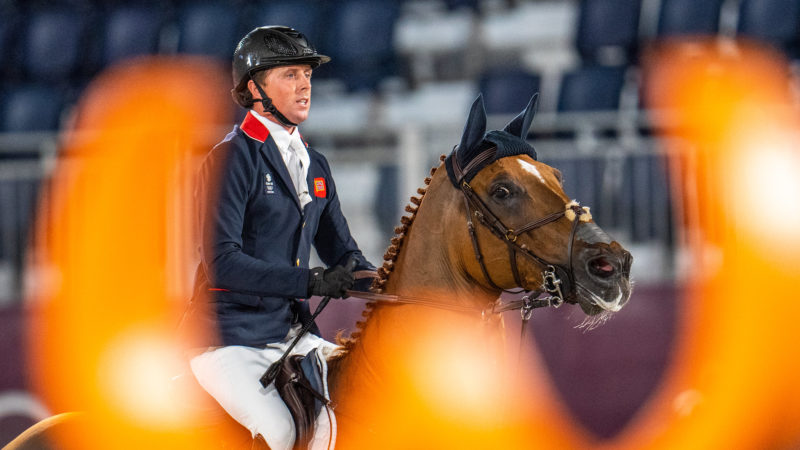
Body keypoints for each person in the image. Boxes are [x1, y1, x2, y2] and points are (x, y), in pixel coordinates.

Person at [185, 25, 376, 450]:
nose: (305, 84)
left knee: (352, 412)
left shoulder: (315, 163)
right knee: (281, 432)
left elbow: (344, 254)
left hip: (294, 336)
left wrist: (394, 282)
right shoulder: (231, 158)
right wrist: (309, 282)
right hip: (229, 338)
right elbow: (223, 262)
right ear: (255, 88)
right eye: (290, 74)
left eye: (307, 74)